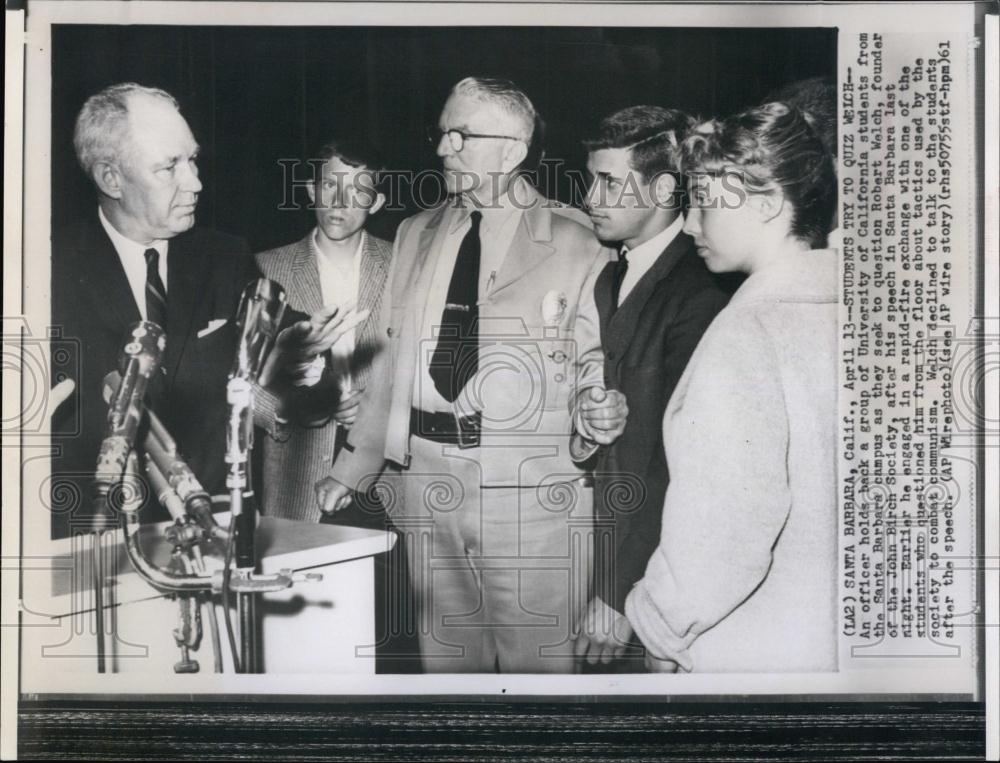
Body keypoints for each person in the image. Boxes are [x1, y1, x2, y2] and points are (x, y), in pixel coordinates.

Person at [315, 76, 624, 673]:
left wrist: (595, 408)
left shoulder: (576, 240)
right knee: (448, 673)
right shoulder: (416, 231)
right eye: (442, 133)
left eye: (461, 135)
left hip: (532, 497)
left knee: (543, 675)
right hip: (424, 483)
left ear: (512, 150)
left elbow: (593, 358)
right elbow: (387, 351)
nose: (442, 149)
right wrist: (355, 466)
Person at [50, 82, 343, 539]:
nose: (196, 183)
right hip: (92, 535)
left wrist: (301, 362)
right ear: (111, 179)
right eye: (169, 167)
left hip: (212, 529)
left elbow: (298, 365)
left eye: (192, 160)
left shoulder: (225, 258)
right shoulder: (43, 269)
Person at [624, 102, 839, 673]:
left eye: (702, 204)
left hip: (747, 644)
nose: (690, 224)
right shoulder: (864, 312)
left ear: (768, 204)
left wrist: (659, 623)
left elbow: (726, 525)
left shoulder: (747, 330)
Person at [570, 106, 729, 669]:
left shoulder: (701, 291)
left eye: (609, 181)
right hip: (612, 544)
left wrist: (619, 591)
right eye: (591, 177)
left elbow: (682, 460)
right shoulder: (614, 273)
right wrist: (586, 423)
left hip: (658, 578)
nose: (590, 195)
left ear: (663, 187)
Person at [255, 136, 389, 523]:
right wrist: (296, 401)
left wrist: (377, 411)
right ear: (310, 190)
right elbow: (243, 382)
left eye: (358, 190)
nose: (339, 202)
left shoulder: (403, 263)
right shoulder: (264, 269)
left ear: (376, 203)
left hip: (387, 476)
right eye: (330, 184)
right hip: (297, 469)